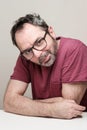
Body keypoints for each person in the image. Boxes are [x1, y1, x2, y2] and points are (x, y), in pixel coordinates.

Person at [3, 13, 87, 119]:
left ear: (51, 32)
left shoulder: (75, 49)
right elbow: (9, 101)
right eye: (28, 51)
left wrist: (24, 103)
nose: (37, 54)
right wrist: (51, 109)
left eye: (39, 42)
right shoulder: (26, 57)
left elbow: (69, 106)